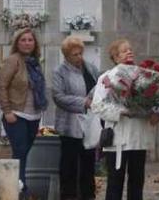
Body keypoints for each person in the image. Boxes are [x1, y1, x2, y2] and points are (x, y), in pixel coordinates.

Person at [91, 39, 159, 200]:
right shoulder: (107, 77)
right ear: (115, 57)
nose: (129, 52)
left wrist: (157, 113)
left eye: (130, 49)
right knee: (115, 182)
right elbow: (97, 105)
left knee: (137, 181)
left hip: (138, 136)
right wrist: (122, 111)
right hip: (118, 137)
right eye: (124, 51)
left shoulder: (144, 76)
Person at [0, 27, 47, 197]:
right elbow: (1, 86)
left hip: (34, 115)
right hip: (16, 114)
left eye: (30, 40)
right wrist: (7, 111)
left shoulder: (34, 62)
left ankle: (14, 186)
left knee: (23, 152)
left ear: (35, 43)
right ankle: (20, 189)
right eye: (23, 40)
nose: (27, 43)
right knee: (20, 151)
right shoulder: (13, 60)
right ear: (17, 43)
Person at [52, 36, 101, 200]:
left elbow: (99, 87)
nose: (79, 57)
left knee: (88, 165)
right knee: (69, 165)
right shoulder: (60, 72)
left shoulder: (91, 68)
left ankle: (88, 195)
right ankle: (68, 196)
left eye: (81, 53)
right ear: (66, 55)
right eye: (75, 54)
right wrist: (83, 102)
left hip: (89, 124)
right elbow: (58, 97)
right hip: (69, 126)